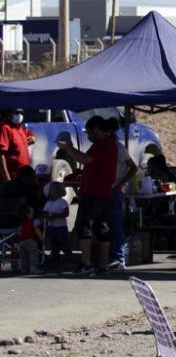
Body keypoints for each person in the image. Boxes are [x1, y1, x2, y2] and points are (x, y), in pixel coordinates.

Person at [57, 116, 119, 275]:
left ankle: (86, 264)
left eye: (90, 132)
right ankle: (103, 265)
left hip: (94, 193)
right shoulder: (110, 144)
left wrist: (68, 148)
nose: (89, 136)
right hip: (103, 192)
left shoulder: (102, 145)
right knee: (102, 228)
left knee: (84, 228)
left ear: (96, 129)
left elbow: (84, 159)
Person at [105, 117, 137, 272]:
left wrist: (120, 184)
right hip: (104, 191)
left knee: (116, 225)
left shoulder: (119, 148)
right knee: (108, 226)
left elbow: (133, 168)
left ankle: (119, 259)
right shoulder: (104, 147)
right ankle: (112, 258)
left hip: (115, 192)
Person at [0, 108, 34, 182]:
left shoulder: (20, 128)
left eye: (21, 113)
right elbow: (1, 153)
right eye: (17, 113)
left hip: (24, 175)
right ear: (10, 114)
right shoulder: (6, 128)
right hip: (12, 176)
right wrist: (6, 175)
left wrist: (29, 142)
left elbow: (16, 146)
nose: (20, 115)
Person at [42, 181, 70, 262]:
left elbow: (66, 213)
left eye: (56, 189)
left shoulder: (62, 202)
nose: (54, 191)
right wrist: (48, 217)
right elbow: (44, 213)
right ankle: (55, 260)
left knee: (64, 244)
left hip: (61, 228)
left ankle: (69, 259)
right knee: (53, 244)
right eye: (52, 189)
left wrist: (55, 216)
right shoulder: (48, 203)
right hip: (51, 227)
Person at [15, 205, 43, 275]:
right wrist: (42, 238)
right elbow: (37, 230)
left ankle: (24, 269)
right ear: (28, 213)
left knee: (23, 256)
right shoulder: (34, 220)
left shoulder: (22, 223)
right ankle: (33, 268)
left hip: (22, 241)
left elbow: (19, 232)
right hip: (31, 241)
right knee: (33, 254)